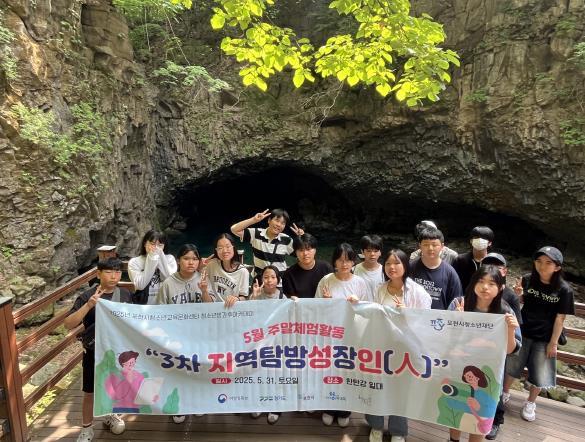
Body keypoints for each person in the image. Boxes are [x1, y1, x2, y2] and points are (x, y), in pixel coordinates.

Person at [447, 265, 520, 442]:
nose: (485, 287)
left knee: (481, 415)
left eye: (491, 283)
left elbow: (511, 350)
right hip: (458, 368)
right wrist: (455, 321)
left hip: (489, 374)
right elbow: (445, 339)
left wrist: (510, 330)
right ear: (473, 283)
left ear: (500, 288)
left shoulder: (505, 312)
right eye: (481, 281)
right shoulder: (459, 304)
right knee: (456, 409)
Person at [503, 246, 575, 422]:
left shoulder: (564, 289)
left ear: (557, 267)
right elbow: (520, 302)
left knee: (540, 372)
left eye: (548, 263)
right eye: (539, 261)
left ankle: (531, 402)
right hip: (524, 331)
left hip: (545, 337)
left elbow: (560, 318)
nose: (542, 266)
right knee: (512, 365)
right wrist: (519, 295)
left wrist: (553, 343)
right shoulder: (528, 279)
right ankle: (504, 393)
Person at [64, 258, 132, 442]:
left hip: (117, 350)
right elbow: (68, 324)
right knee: (90, 391)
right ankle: (87, 428)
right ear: (98, 274)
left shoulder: (125, 294)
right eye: (108, 272)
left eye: (117, 272)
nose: (114, 276)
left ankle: (111, 415)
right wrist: (89, 305)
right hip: (94, 351)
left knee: (115, 385)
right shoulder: (87, 296)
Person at [368, 249, 431, 442]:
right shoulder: (380, 289)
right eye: (388, 263)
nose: (392, 267)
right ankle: (376, 426)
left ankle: (398, 430)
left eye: (396, 263)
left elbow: (427, 323)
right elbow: (373, 315)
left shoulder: (418, 292)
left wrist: (408, 313)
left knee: (401, 390)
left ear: (405, 266)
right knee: (377, 387)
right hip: (381, 347)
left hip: (406, 350)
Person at [156, 244, 212, 424]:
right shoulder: (168, 283)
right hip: (177, 336)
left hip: (199, 335)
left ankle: (198, 403)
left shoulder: (203, 279)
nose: (191, 262)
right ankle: (177, 406)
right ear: (178, 260)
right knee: (178, 371)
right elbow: (159, 312)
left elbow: (212, 309)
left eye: (195, 259)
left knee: (199, 369)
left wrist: (204, 290)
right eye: (186, 258)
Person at [315, 243, 369, 428]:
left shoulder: (360, 283)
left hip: (351, 335)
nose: (344, 264)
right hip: (329, 335)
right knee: (329, 372)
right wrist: (326, 302)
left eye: (348, 260)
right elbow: (314, 308)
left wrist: (358, 304)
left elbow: (367, 311)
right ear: (334, 262)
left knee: (347, 372)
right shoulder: (326, 280)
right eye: (340, 260)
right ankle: (329, 408)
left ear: (353, 262)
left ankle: (345, 410)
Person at [480, 253, 522, 440]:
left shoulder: (510, 296)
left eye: (498, 267)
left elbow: (516, 324)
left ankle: (496, 420)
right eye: (488, 265)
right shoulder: (475, 288)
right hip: (474, 349)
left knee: (494, 385)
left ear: (504, 271)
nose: (493, 270)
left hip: (497, 350)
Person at [248, 266, 287, 424]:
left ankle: (275, 407)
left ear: (278, 280)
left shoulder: (283, 297)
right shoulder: (256, 294)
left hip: (277, 343)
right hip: (258, 342)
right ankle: (258, 402)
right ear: (261, 279)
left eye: (272, 277)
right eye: (266, 277)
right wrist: (254, 297)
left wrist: (295, 302)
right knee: (258, 373)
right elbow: (247, 316)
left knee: (275, 375)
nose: (269, 280)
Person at [230, 208, 304, 280]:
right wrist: (253, 220)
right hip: (259, 281)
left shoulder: (286, 240)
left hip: (279, 282)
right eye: (277, 220)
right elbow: (234, 229)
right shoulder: (256, 234)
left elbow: (302, 255)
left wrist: (302, 238)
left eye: (283, 223)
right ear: (269, 220)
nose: (279, 225)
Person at [410, 227, 463, 310]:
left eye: (434, 245)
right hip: (413, 315)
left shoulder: (450, 273)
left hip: (439, 317)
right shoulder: (410, 268)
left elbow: (455, 302)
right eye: (426, 245)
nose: (430, 248)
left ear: (442, 246)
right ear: (420, 246)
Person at [128, 230, 177, 305]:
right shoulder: (134, 262)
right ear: (145, 244)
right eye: (152, 244)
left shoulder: (170, 259)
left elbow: (170, 280)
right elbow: (140, 285)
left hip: (165, 304)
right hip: (144, 305)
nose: (156, 248)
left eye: (160, 245)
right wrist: (152, 259)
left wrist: (160, 257)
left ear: (164, 246)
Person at [205, 233, 250, 307]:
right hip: (213, 309)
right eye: (220, 248)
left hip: (232, 309)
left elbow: (244, 297)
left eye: (228, 246)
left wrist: (237, 299)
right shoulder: (212, 265)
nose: (224, 251)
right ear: (216, 250)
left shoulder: (243, 271)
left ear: (233, 247)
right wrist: (200, 266)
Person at [282, 233, 333, 298]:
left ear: (315, 250)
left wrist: (330, 297)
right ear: (296, 253)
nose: (305, 253)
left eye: (308, 249)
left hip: (324, 304)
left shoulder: (326, 268)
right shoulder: (289, 274)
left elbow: (335, 290)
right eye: (301, 250)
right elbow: (289, 299)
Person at [452, 226, 494, 290]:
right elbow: (453, 282)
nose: (480, 240)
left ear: (490, 243)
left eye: (483, 238)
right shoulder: (460, 260)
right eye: (476, 238)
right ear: (471, 241)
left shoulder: (493, 262)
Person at [353, 235, 385, 301]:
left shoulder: (385, 272)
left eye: (376, 251)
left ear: (380, 252)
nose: (372, 254)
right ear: (362, 252)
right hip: (359, 307)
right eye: (368, 251)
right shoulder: (353, 270)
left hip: (378, 307)